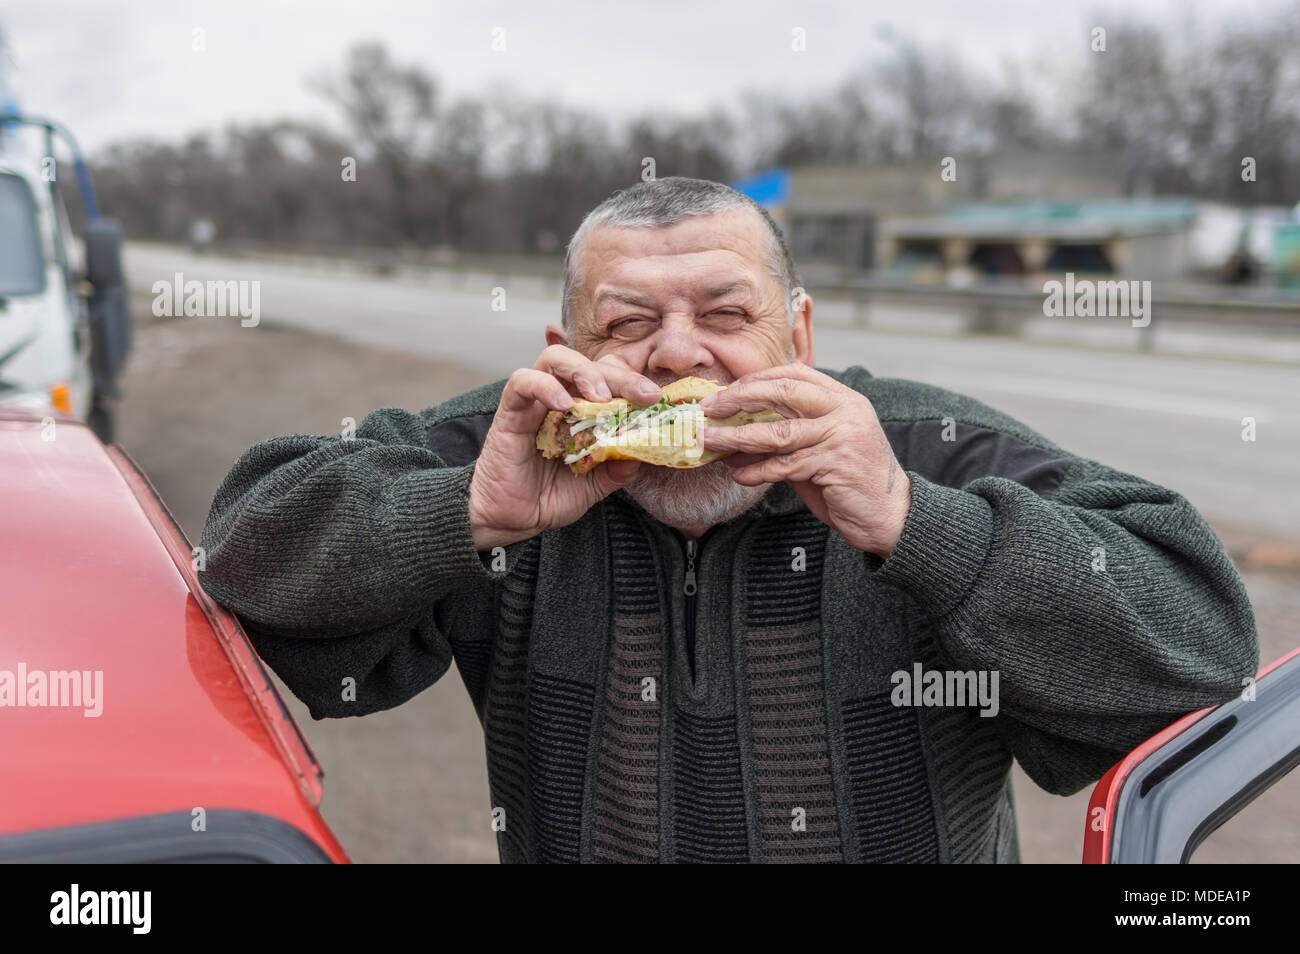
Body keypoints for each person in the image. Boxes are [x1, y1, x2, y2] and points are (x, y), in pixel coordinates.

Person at [198, 176, 1258, 863]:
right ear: (564, 345)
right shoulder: (511, 447)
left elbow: (1198, 642)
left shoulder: (924, 446)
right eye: (626, 324)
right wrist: (466, 513)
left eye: (723, 314)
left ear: (798, 331)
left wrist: (910, 522)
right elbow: (246, 550)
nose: (672, 356)